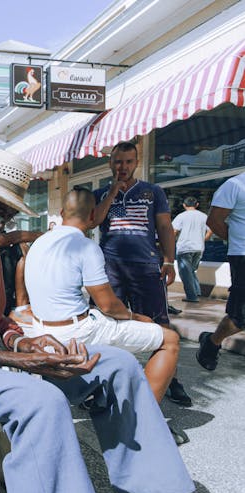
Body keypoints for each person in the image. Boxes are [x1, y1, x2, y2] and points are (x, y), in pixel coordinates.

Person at [0, 148, 193, 493]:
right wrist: (13, 359)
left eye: (8, 216)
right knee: (43, 401)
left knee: (119, 364)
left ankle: (151, 490)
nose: (0, 224)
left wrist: (28, 343)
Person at [25, 187, 186, 444]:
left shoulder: (39, 243)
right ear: (92, 216)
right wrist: (137, 317)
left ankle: (106, 398)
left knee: (105, 324)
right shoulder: (85, 246)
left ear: (62, 212)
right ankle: (144, 424)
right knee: (169, 339)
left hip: (41, 331)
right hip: (75, 332)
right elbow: (109, 306)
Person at [92, 141, 191, 407]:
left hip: (146, 266)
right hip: (110, 266)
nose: (122, 167)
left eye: (127, 161)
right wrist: (112, 192)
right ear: (110, 163)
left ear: (136, 163)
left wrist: (169, 261)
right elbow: (94, 221)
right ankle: (100, 381)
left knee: (158, 323)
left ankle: (171, 378)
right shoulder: (101, 192)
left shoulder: (152, 191)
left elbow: (164, 226)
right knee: (106, 324)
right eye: (117, 161)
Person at [197, 173, 245, 371]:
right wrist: (236, 240)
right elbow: (214, 221)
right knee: (239, 317)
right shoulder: (235, 185)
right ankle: (212, 343)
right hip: (242, 255)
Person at [172, 196, 212, 302]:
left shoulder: (181, 216)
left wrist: (172, 241)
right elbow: (210, 231)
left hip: (185, 247)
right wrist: (203, 240)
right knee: (191, 271)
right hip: (199, 248)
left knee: (185, 273)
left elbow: (174, 231)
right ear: (197, 205)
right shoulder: (204, 216)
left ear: (184, 205)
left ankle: (192, 297)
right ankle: (197, 292)